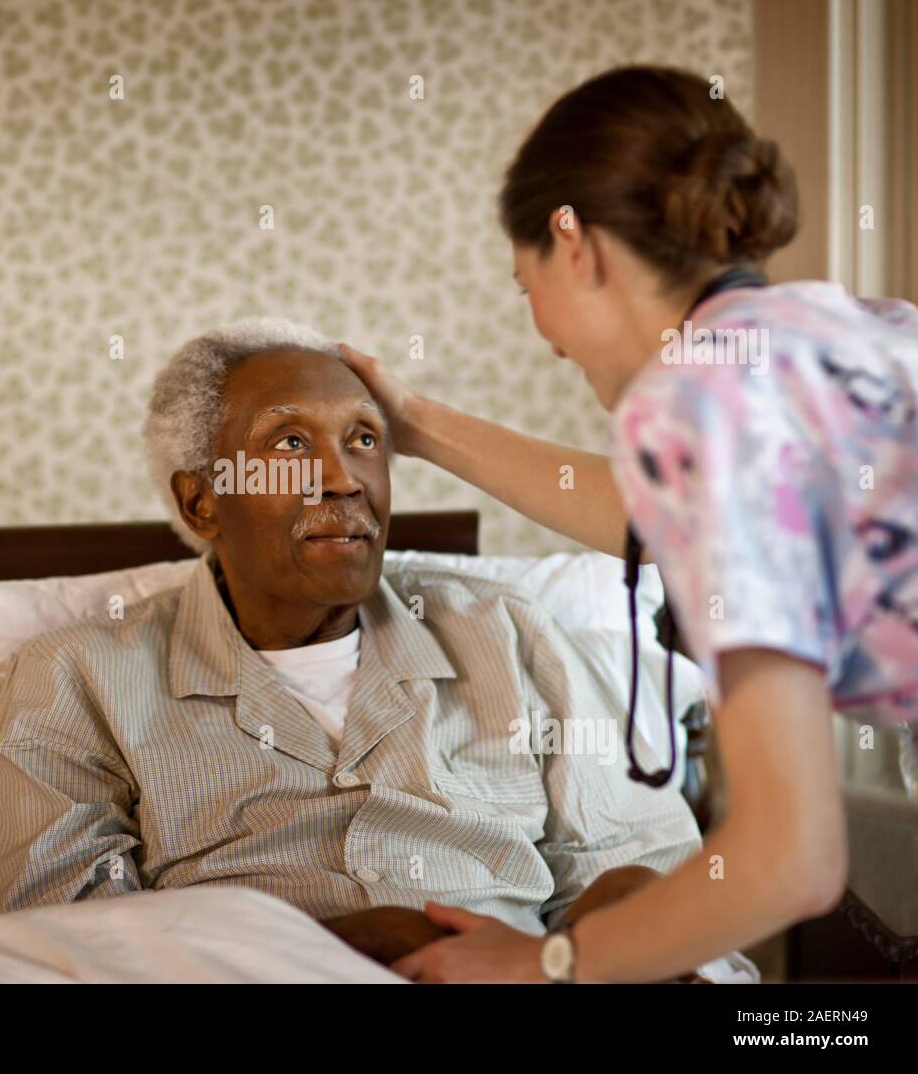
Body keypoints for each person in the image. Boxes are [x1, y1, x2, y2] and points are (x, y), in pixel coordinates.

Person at [337, 65, 918, 982]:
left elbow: (790, 858)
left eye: (522, 282)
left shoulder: (691, 407)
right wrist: (417, 425)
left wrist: (545, 961)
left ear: (576, 244)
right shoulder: (840, 330)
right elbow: (676, 518)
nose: (542, 331)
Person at [0, 318, 755, 980]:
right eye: (289, 442)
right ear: (202, 499)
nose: (343, 479)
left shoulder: (506, 630)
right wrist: (360, 952)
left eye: (364, 439)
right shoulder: (75, 677)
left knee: (638, 898)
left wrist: (557, 955)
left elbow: (640, 863)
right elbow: (74, 948)